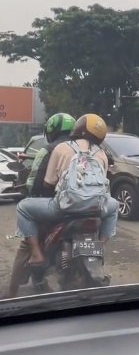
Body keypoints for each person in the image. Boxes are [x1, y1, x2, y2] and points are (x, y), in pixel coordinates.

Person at [16, 113, 119, 268]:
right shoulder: (102, 153)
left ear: (78, 128)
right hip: (96, 208)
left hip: (65, 207)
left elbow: (47, 183)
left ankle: (37, 254)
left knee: (23, 208)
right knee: (115, 206)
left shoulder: (61, 148)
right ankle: (100, 245)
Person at [7, 113, 76, 297]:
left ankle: (11, 295)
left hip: (53, 206)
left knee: (26, 244)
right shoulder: (82, 148)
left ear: (51, 131)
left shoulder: (48, 150)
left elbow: (33, 183)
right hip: (84, 206)